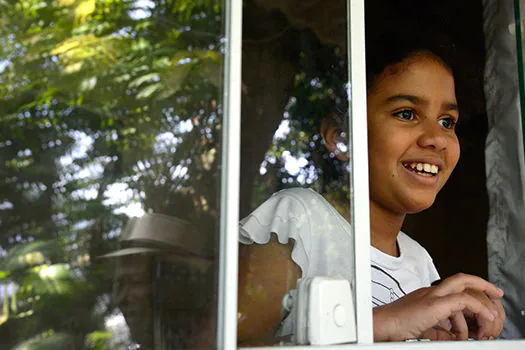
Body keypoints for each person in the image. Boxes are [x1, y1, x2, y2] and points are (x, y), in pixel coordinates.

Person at [236, 42, 506, 344]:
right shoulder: (299, 221)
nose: (436, 139)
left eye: (447, 122)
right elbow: (210, 343)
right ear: (342, 138)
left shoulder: (419, 261)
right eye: (406, 114)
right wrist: (377, 325)